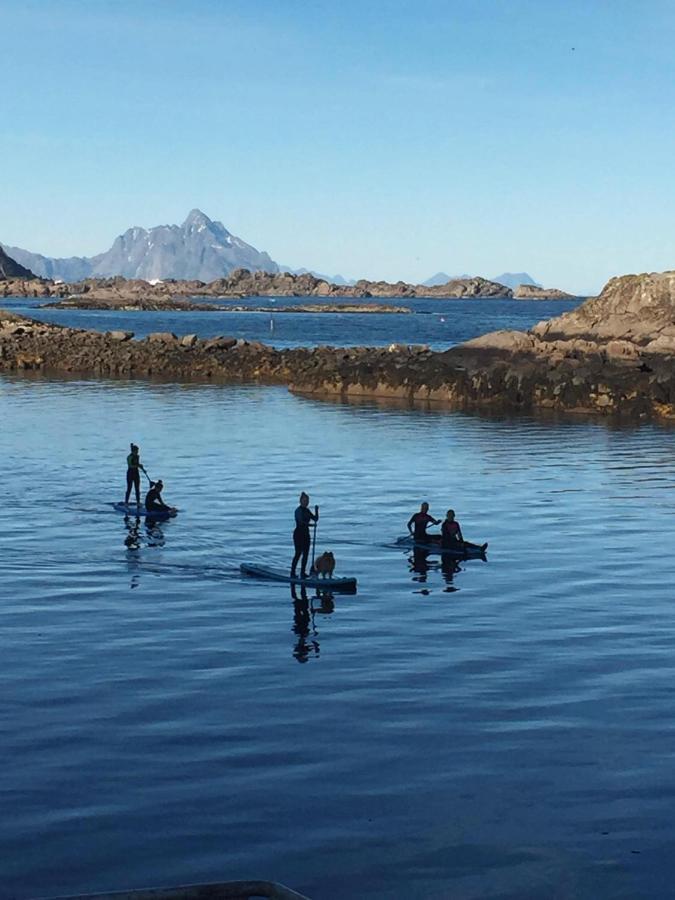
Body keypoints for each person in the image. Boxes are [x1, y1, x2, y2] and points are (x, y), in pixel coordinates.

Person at [291, 491, 319, 579]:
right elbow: (301, 522)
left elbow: (315, 519)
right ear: (300, 501)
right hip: (298, 534)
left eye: (307, 501)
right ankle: (292, 572)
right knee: (298, 553)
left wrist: (316, 511)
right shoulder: (298, 511)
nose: (306, 502)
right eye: (304, 501)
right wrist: (310, 525)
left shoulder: (307, 510)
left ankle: (303, 573)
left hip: (306, 534)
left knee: (306, 554)